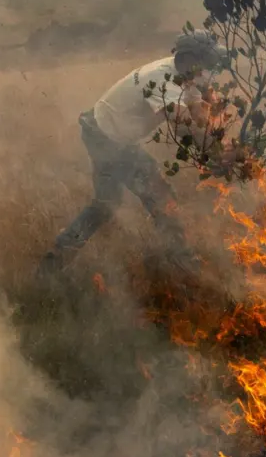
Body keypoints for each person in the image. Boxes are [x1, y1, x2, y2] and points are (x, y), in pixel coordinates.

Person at [39, 31, 227, 277]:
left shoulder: (184, 76)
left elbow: (195, 116)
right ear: (190, 59)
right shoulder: (162, 80)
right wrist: (221, 154)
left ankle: (53, 263)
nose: (208, 69)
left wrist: (215, 128)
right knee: (160, 197)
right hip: (106, 138)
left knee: (107, 204)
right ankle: (187, 267)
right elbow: (184, 125)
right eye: (205, 62)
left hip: (107, 133)